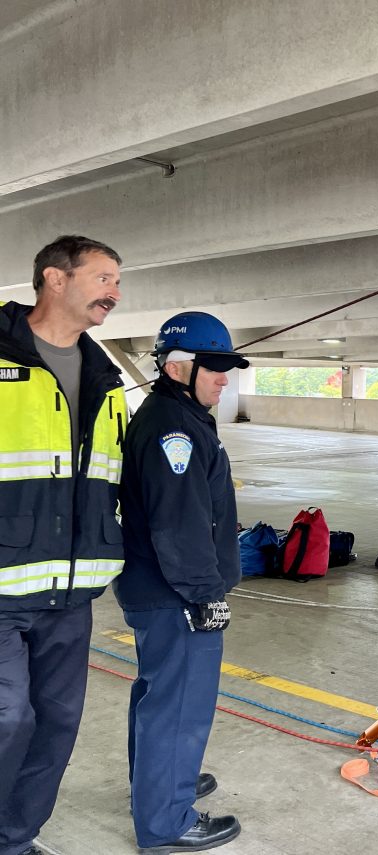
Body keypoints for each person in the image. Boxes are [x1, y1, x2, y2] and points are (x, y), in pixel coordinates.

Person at [0, 236, 127, 855]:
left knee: (57, 724)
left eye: (117, 281)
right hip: (1, 588)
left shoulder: (108, 381)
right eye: (104, 277)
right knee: (7, 719)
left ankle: (15, 841)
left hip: (72, 596)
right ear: (55, 278)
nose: (115, 291)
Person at [113, 311, 248, 853]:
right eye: (214, 367)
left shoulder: (179, 415)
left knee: (157, 695)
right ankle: (166, 821)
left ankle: (156, 786)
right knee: (180, 705)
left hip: (156, 589)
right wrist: (204, 595)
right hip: (176, 595)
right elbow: (178, 522)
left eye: (227, 368)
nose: (224, 377)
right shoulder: (173, 428)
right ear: (176, 367)